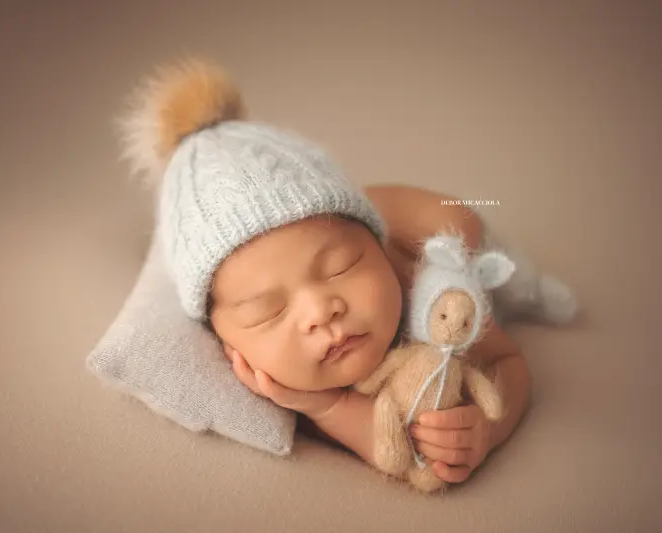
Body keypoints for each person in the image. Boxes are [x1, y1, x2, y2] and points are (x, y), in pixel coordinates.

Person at [120, 58, 576, 485]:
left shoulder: (420, 285)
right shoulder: (272, 376)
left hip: (406, 217)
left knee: (460, 223)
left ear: (375, 249)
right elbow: (395, 451)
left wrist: (489, 430)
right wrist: (325, 404)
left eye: (342, 267)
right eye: (268, 311)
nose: (322, 310)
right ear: (225, 342)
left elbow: (507, 361)